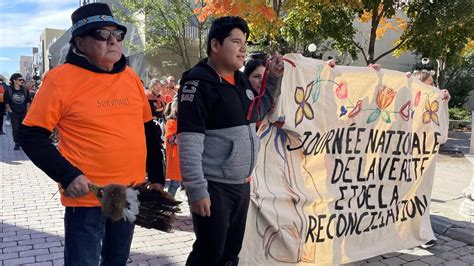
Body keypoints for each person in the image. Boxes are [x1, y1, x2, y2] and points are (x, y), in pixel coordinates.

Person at [18, 3, 164, 265]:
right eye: (101, 34)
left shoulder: (130, 77)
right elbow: (30, 135)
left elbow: (148, 129)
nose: (112, 40)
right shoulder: (59, 79)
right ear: (81, 42)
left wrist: (156, 177)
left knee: (116, 261)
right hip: (86, 198)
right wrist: (67, 174)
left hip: (129, 193)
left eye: (117, 34)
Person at [177, 16, 284, 265]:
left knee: (231, 251)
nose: (242, 48)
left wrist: (274, 80)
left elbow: (257, 113)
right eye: (236, 41)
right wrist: (196, 189)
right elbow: (189, 140)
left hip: (241, 185)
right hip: (214, 186)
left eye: (244, 42)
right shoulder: (197, 84)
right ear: (215, 45)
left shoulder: (241, 81)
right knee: (209, 252)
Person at [4, 73, 31, 150]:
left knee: (24, 128)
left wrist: (27, 110)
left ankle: (24, 142)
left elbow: (28, 101)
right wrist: (10, 112)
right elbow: (7, 103)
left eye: (22, 79)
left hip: (24, 112)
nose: (22, 81)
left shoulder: (25, 90)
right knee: (15, 128)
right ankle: (17, 143)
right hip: (14, 113)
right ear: (14, 80)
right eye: (20, 79)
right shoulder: (8, 90)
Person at [164, 98, 181, 197]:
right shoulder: (171, 122)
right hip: (176, 158)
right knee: (175, 185)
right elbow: (171, 139)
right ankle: (167, 206)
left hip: (185, 157)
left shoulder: (184, 121)